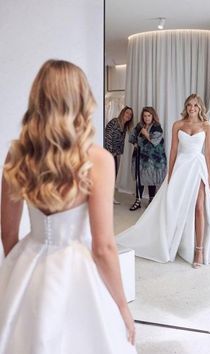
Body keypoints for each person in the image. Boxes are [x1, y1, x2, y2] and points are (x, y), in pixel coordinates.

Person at [0, 60, 136, 353]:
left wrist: (17, 275)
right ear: (81, 99)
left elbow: (8, 236)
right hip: (76, 269)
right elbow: (103, 247)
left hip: (28, 259)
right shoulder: (97, 159)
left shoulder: (17, 154)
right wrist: (122, 306)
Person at [117, 94, 210, 267]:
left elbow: (209, 153)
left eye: (196, 106)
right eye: (189, 105)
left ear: (200, 108)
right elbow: (173, 151)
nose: (192, 108)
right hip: (182, 167)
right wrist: (170, 174)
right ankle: (175, 240)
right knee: (176, 205)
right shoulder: (178, 125)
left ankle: (199, 250)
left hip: (197, 167)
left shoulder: (207, 126)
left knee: (199, 207)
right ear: (186, 106)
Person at [129, 106, 167, 211]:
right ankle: (138, 201)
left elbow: (154, 141)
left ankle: (151, 200)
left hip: (152, 160)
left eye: (149, 115)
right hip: (139, 157)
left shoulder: (157, 127)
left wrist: (144, 133)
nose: (146, 118)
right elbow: (132, 137)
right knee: (139, 179)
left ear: (153, 116)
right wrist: (135, 142)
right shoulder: (139, 126)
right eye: (145, 116)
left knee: (151, 179)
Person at [105, 106, 134, 204]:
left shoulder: (124, 126)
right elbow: (107, 136)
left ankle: (110, 197)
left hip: (115, 153)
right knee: (108, 176)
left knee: (113, 175)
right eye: (127, 113)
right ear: (122, 113)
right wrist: (110, 152)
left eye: (130, 114)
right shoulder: (114, 122)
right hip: (108, 153)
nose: (128, 115)